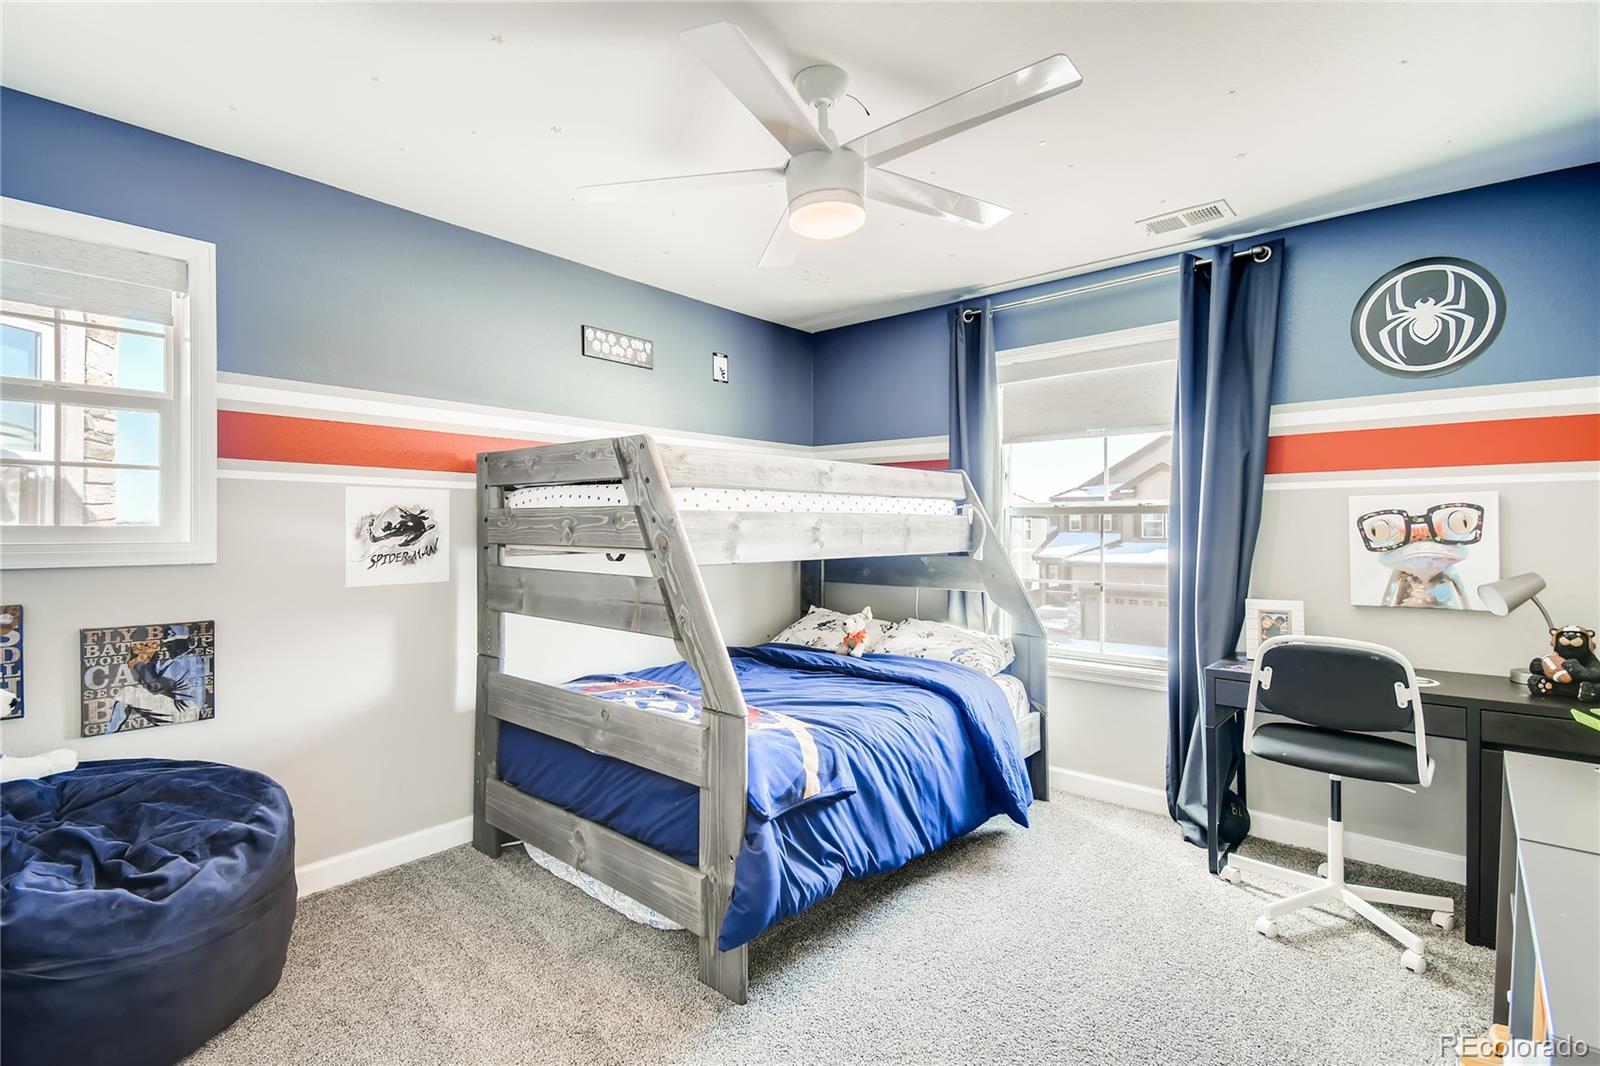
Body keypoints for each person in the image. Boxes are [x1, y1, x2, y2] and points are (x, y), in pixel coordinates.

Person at [105, 624, 209, 733]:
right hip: (189, 710)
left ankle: (108, 734)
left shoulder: (183, 661)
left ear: (188, 641)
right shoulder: (187, 659)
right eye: (168, 643)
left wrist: (138, 663)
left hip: (185, 712)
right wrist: (153, 660)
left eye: (175, 643)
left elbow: (154, 686)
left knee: (126, 693)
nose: (170, 647)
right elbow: (156, 679)